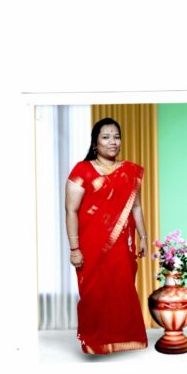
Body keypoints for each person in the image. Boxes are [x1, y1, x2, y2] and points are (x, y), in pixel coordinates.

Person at [65, 117, 149, 355]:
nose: (113, 142)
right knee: (94, 294)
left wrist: (143, 236)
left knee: (122, 291)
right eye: (106, 137)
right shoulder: (82, 171)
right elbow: (71, 211)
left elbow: (136, 207)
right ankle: (95, 342)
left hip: (121, 245)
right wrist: (74, 248)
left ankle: (123, 339)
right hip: (92, 246)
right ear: (95, 143)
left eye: (116, 137)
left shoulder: (129, 171)